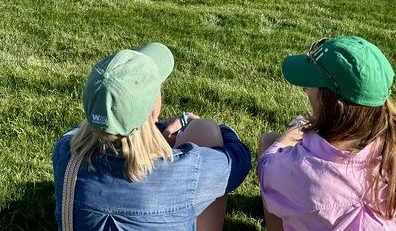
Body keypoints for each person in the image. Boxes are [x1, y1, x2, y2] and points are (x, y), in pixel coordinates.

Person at [52, 42, 251, 230]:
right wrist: (197, 122)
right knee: (207, 130)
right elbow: (238, 159)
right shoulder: (186, 172)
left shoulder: (66, 156)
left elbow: (79, 131)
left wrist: (155, 129)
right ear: (153, 111)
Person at [257, 36, 396, 231]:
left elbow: (267, 166)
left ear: (329, 103)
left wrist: (296, 129)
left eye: (312, 83)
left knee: (270, 141)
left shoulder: (303, 169)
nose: (307, 89)